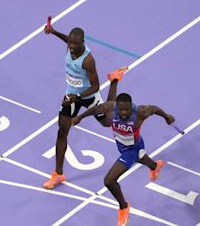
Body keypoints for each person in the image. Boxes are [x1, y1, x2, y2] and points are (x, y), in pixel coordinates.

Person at [71, 72, 175, 226]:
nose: (124, 113)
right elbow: (95, 109)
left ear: (131, 106)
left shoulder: (141, 112)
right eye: (121, 110)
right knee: (140, 156)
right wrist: (79, 117)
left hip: (131, 149)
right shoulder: (111, 107)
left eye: (127, 110)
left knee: (109, 180)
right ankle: (155, 166)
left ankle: (124, 207)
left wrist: (167, 117)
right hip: (127, 145)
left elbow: (155, 109)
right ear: (117, 108)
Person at [42, 24, 116, 189]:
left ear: (83, 42)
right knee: (62, 131)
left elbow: (95, 86)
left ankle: (114, 81)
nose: (72, 46)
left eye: (75, 44)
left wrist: (79, 96)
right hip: (71, 95)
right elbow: (67, 40)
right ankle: (58, 174)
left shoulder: (88, 60)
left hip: (89, 97)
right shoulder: (70, 46)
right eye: (70, 43)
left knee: (108, 122)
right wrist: (53, 32)